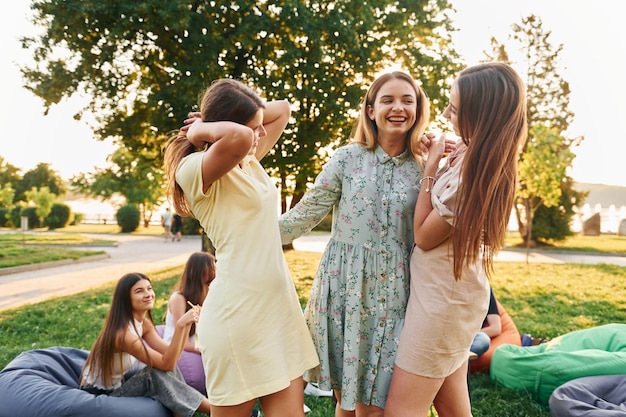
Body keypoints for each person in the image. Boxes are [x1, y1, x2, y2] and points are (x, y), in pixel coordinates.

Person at [279, 71, 448, 417]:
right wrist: (243, 237)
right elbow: (303, 215)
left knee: (375, 404)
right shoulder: (347, 158)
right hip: (344, 290)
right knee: (348, 400)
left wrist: (437, 162)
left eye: (407, 100)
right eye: (387, 100)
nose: (398, 108)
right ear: (370, 110)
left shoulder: (427, 166)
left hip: (398, 295)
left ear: (418, 109)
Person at [163, 78, 319, 417]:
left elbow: (283, 110)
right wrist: (197, 132)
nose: (260, 134)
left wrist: (251, 113)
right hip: (238, 319)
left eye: (260, 127)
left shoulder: (246, 161)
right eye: (253, 128)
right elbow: (240, 136)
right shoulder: (196, 169)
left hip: (278, 314)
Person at [385, 62, 528, 417]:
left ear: (480, 116)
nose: (446, 113)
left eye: (455, 109)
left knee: (400, 411)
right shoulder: (472, 153)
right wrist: (434, 149)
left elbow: (423, 236)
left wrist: (431, 166)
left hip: (442, 307)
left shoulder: (472, 179)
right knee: (452, 408)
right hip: (447, 299)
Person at [79, 272, 212, 417]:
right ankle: (215, 410)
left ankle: (180, 414)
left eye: (149, 288)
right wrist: (180, 326)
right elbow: (166, 363)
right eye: (139, 291)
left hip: (116, 388)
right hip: (97, 395)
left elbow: (170, 356)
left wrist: (186, 325)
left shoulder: (144, 324)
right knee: (153, 374)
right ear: (126, 298)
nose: (148, 294)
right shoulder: (123, 335)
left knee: (165, 368)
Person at [162, 251, 216, 393]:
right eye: (211, 266)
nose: (215, 269)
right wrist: (207, 349)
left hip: (199, 346)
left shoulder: (210, 295)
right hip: (180, 349)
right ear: (198, 271)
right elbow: (183, 342)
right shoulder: (179, 298)